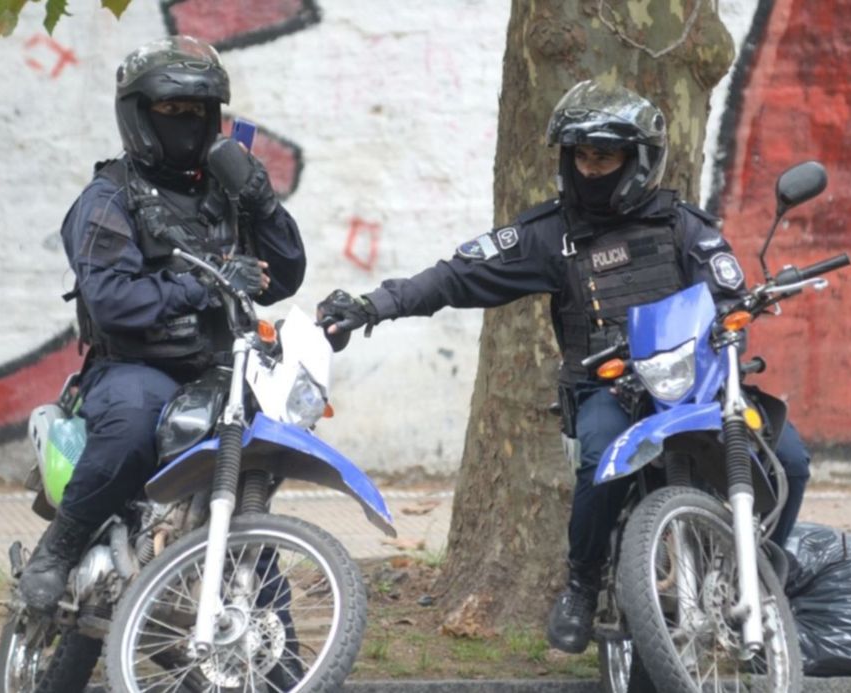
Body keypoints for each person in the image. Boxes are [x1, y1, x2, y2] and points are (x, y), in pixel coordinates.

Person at [317, 80, 812, 654]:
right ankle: (581, 581)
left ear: (638, 159)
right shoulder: (551, 234)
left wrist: (738, 315)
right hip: (610, 389)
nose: (591, 169)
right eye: (581, 155)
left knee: (789, 460)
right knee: (602, 462)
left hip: (695, 385)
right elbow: (454, 276)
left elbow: (729, 294)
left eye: (604, 156)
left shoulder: (683, 225)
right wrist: (373, 305)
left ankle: (765, 556)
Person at [17, 36, 306, 613]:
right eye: (172, 111)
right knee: (130, 427)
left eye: (198, 112)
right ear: (139, 116)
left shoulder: (228, 193)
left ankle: (276, 652)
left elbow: (287, 277)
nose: (188, 123)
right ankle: (60, 547)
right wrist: (205, 283)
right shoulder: (109, 198)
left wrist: (263, 202)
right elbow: (111, 300)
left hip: (223, 369)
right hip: (135, 368)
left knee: (250, 479)